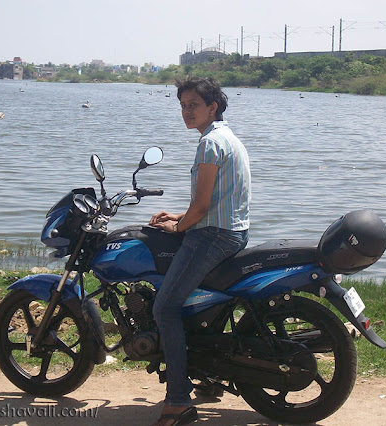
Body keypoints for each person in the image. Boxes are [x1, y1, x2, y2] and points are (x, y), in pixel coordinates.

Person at [149, 76, 251, 426]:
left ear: (213, 107)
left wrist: (178, 227)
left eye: (193, 104)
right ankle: (207, 378)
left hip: (213, 237)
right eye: (182, 105)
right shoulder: (227, 138)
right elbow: (217, 201)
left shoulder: (209, 144)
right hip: (232, 231)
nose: (186, 111)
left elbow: (204, 204)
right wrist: (179, 215)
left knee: (164, 307)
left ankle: (178, 401)